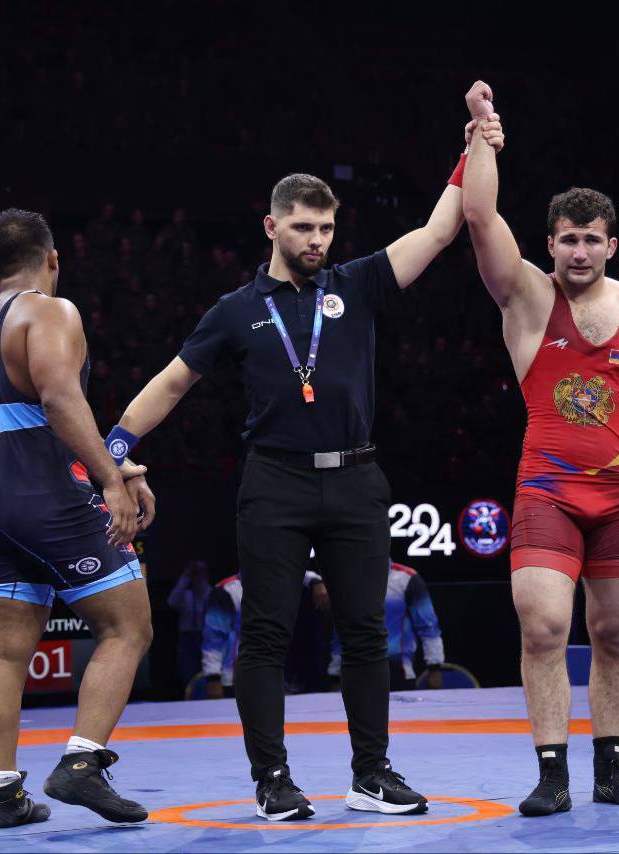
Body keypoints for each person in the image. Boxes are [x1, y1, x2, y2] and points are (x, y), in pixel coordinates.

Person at [105, 113, 505, 820]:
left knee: (366, 631)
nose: (317, 240)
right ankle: (272, 780)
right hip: (275, 481)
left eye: (325, 228)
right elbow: (171, 383)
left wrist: (472, 142)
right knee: (265, 634)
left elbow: (440, 229)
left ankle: (371, 775)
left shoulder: (360, 283)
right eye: (302, 228)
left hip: (356, 478)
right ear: (271, 227)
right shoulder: (236, 310)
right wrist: (111, 452)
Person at [461, 81, 619, 816]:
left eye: (591, 239)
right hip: (549, 490)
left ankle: (610, 768)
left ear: (611, 244)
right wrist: (481, 134)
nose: (579, 251)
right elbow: (479, 217)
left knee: (617, 634)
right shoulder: (527, 298)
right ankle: (552, 774)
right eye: (567, 239)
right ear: (549, 245)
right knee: (543, 627)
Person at [0, 209, 157, 829]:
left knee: (7, 653)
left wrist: (119, 465)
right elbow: (59, 399)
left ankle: (1, 794)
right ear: (52, 259)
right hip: (48, 503)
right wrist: (110, 482)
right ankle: (81, 762)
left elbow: (29, 424)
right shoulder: (49, 310)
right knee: (127, 628)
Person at [203, 568, 324, 700]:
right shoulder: (227, 591)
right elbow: (213, 640)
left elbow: (297, 570)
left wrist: (316, 582)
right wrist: (213, 679)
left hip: (277, 678)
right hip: (235, 681)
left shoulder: (279, 581)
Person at [328, 560, 445, 691]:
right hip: (356, 673)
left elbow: (429, 628)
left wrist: (434, 668)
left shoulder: (407, 578)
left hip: (398, 673)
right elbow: (341, 632)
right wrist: (335, 674)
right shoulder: (348, 580)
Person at [167, 559, 212, 693]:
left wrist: (202, 581)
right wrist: (186, 576)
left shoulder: (209, 593)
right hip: (187, 639)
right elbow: (172, 602)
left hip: (205, 637)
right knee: (188, 675)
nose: (198, 575)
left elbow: (209, 596)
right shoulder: (185, 595)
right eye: (195, 572)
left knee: (207, 673)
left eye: (201, 572)